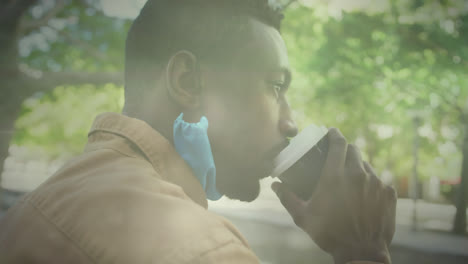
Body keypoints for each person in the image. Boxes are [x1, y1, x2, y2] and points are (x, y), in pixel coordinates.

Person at [0, 1, 396, 263]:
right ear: (187, 81)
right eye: (275, 87)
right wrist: (362, 251)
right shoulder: (206, 251)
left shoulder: (36, 205)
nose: (290, 123)